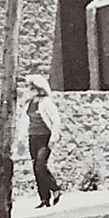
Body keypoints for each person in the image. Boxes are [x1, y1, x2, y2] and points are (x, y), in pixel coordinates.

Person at [24, 74, 63, 208]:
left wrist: (54, 137)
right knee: (36, 168)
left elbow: (56, 120)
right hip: (32, 136)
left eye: (31, 87)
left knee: (40, 165)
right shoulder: (29, 103)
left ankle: (55, 188)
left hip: (44, 136)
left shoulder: (46, 102)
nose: (28, 89)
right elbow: (25, 120)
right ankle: (44, 198)